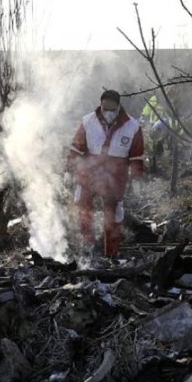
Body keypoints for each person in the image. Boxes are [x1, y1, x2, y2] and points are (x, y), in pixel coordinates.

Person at [67, 90, 145, 258]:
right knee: (83, 207)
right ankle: (87, 247)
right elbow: (76, 148)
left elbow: (137, 156)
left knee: (114, 214)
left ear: (118, 107)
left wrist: (136, 179)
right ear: (100, 105)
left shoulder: (132, 126)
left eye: (111, 109)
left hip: (115, 177)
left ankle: (111, 254)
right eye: (105, 108)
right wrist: (70, 170)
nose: (108, 113)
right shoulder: (88, 122)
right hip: (89, 173)